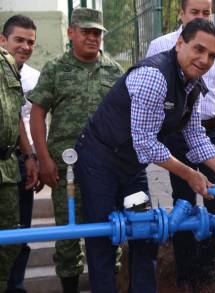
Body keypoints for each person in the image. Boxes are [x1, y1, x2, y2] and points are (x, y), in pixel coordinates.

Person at [74, 19, 215, 293]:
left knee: (145, 233)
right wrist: (191, 174)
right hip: (99, 161)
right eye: (199, 50)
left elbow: (195, 137)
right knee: (102, 238)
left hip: (132, 166)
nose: (205, 60)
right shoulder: (154, 76)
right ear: (180, 43)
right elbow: (145, 143)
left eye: (212, 55)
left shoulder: (192, 84)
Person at [146, 0, 215, 287]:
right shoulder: (161, 45)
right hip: (177, 132)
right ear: (181, 14)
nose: (200, 17)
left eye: (206, 12)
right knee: (183, 201)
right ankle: (186, 273)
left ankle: (208, 266)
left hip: (212, 130)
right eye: (194, 12)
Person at [29, 8, 123, 293]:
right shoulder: (56, 68)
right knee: (68, 235)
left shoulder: (113, 70)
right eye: (87, 32)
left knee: (108, 230)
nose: (93, 38)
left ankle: (106, 286)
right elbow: (37, 113)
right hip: (65, 168)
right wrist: (43, 159)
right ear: (71, 33)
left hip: (106, 169)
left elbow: (123, 116)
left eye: (98, 33)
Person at [0, 14, 41, 293]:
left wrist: (31, 158)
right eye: (19, 40)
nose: (25, 47)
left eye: (31, 42)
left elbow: (20, 120)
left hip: (16, 159)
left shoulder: (30, 76)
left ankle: (15, 287)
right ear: (3, 40)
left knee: (18, 232)